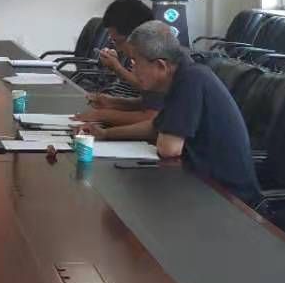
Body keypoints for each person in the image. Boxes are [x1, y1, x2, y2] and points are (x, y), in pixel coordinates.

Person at [93, 20, 260, 202]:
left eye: (136, 61)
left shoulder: (191, 80)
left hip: (227, 197)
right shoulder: (183, 75)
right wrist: (105, 134)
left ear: (161, 66)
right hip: (199, 183)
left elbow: (169, 149)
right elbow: (157, 127)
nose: (132, 68)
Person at [72, 0, 164, 140]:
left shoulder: (157, 60)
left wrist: (102, 115)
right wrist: (113, 102)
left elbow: (151, 117)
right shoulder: (146, 55)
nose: (118, 48)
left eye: (118, 41)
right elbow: (148, 103)